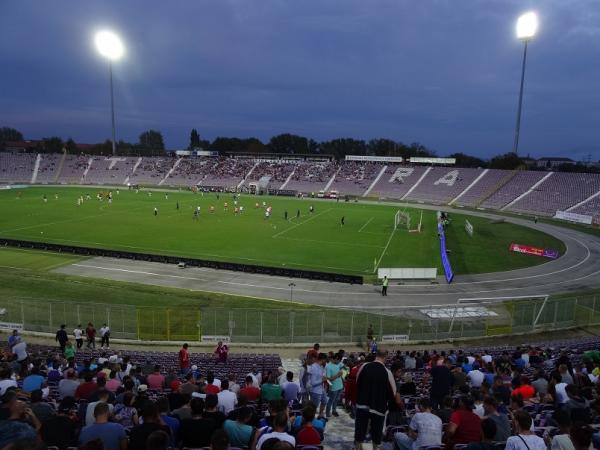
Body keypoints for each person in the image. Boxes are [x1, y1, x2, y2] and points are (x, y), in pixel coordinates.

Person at [354, 349, 396, 450]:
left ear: (376, 355)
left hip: (362, 405)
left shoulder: (364, 366)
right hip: (378, 407)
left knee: (360, 431)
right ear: (385, 357)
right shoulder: (387, 372)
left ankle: (358, 447)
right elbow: (393, 392)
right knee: (377, 433)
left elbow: (357, 381)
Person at [308, 353, 328, 418]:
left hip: (321, 389)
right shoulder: (313, 367)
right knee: (314, 407)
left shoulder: (321, 367)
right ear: (323, 359)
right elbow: (313, 383)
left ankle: (320, 415)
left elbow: (322, 376)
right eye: (325, 360)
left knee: (325, 401)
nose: (326, 362)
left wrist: (324, 378)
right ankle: (311, 419)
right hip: (315, 391)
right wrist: (322, 380)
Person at [325, 353, 344, 417]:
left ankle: (334, 410)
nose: (339, 362)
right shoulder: (328, 366)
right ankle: (327, 413)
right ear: (336, 358)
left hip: (340, 386)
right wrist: (337, 375)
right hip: (333, 387)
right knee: (331, 400)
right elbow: (328, 379)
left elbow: (340, 372)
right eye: (339, 360)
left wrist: (341, 375)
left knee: (336, 399)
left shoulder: (338, 364)